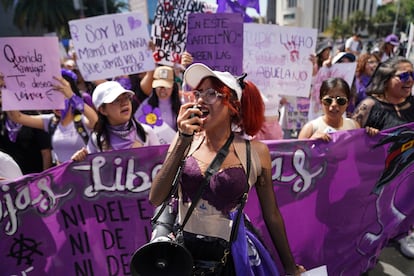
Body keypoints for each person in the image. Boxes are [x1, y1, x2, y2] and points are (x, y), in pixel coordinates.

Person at [149, 63, 305, 275]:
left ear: (233, 105)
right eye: (198, 93)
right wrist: (182, 140)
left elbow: (272, 214)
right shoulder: (185, 140)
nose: (201, 100)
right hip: (183, 255)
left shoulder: (256, 153)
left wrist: (290, 267)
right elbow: (156, 197)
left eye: (211, 93)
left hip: (229, 260)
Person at [352, 57, 414, 258]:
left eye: (412, 75)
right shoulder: (369, 105)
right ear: (387, 78)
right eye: (404, 75)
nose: (410, 80)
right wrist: (364, 135)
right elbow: (347, 137)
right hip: (373, 180)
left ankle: (404, 234)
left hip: (406, 175)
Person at [6, 75, 98, 164]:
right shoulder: (51, 121)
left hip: (84, 176)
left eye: (62, 98)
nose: (57, 104)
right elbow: (16, 117)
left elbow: (95, 120)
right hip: (63, 177)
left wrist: (71, 95)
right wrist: (6, 88)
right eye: (53, 99)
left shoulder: (82, 121)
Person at [71, 81, 159, 160]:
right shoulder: (96, 140)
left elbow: (161, 164)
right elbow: (89, 172)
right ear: (103, 110)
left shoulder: (146, 132)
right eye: (116, 100)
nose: (124, 103)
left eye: (127, 97)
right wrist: (79, 159)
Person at [0, 72, 53, 173]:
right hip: (12, 177)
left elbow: (46, 152)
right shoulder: (3, 118)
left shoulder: (32, 116)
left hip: (33, 175)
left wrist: (45, 177)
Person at [298, 78, 377, 141]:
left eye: (340, 101)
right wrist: (311, 142)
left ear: (348, 103)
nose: (334, 105)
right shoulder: (310, 129)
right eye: (328, 101)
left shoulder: (354, 126)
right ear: (320, 101)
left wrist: (371, 136)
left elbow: (360, 153)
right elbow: (296, 156)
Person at [134, 66, 181, 144]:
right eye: (159, 87)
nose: (162, 90)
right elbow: (136, 125)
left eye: (166, 87)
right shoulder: (146, 104)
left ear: (173, 86)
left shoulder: (181, 104)